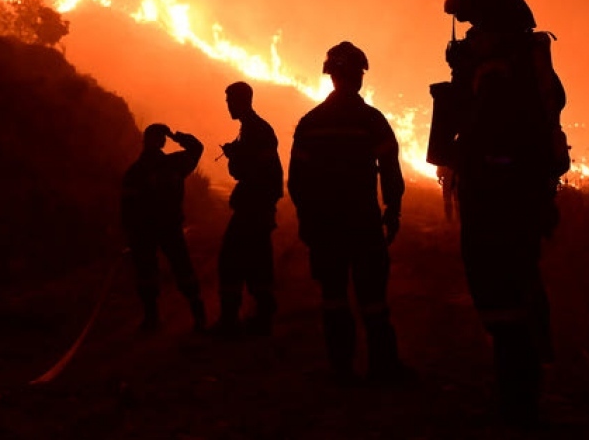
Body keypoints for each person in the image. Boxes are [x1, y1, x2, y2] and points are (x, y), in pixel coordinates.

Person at [430, 0, 567, 425]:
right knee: (503, 288)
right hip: (502, 187)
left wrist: (486, 169)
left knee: (503, 288)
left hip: (502, 190)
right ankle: (516, 392)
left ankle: (519, 403)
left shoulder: (502, 54)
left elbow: (501, 129)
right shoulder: (498, 47)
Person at [288, 41, 411, 384]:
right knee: (372, 298)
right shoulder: (371, 120)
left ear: (331, 76)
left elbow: (297, 181)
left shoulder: (310, 123)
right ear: (358, 76)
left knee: (333, 297)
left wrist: (307, 219)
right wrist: (393, 209)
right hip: (362, 223)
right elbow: (389, 169)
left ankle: (340, 369)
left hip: (326, 226)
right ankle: (383, 367)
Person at [209, 81, 284, 336]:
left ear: (243, 100)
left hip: (255, 206)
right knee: (256, 262)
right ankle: (261, 317)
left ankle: (232, 321)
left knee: (230, 260)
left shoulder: (257, 130)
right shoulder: (250, 129)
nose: (227, 105)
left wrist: (236, 156)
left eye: (230, 100)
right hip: (256, 206)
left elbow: (259, 170)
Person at [121, 123, 207, 332]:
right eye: (161, 137)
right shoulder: (174, 164)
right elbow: (196, 148)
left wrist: (129, 232)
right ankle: (196, 315)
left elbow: (126, 208)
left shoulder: (138, 171)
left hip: (150, 231)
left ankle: (155, 319)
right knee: (171, 271)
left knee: (152, 273)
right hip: (160, 229)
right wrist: (175, 135)